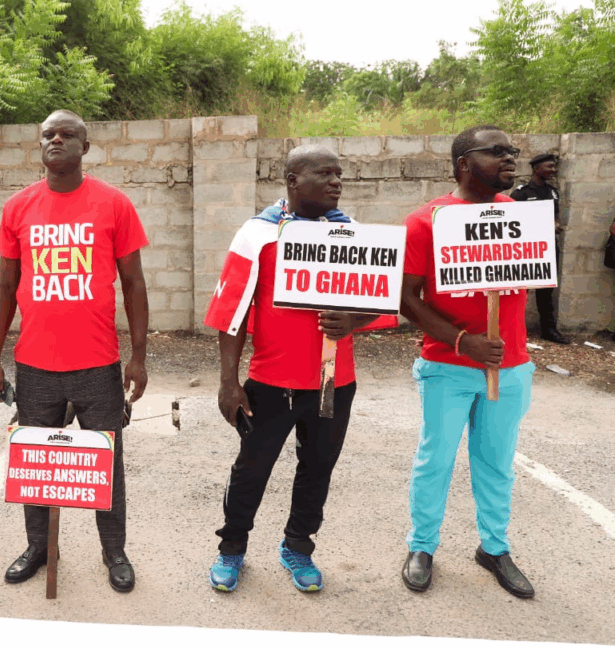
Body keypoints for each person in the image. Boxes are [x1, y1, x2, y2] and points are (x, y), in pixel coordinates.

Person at [0, 109, 149, 593]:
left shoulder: (114, 204)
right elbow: (4, 286)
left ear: (86, 146)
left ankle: (113, 550)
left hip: (98, 364)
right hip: (35, 366)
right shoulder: (18, 208)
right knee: (35, 463)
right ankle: (39, 547)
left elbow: (134, 285)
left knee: (106, 462)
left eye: (67, 134)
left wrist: (138, 357)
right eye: (48, 135)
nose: (56, 140)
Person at [202, 145, 378, 594]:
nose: (337, 182)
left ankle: (298, 545)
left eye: (340, 174)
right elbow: (232, 313)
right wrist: (229, 381)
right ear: (293, 180)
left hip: (334, 382)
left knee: (318, 467)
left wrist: (352, 321)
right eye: (325, 174)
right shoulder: (258, 233)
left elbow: (380, 304)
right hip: (271, 382)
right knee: (252, 469)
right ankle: (232, 549)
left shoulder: (354, 233)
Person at [400, 125, 536, 598]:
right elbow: (407, 299)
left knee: (497, 462)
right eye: (496, 152)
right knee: (435, 460)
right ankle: (421, 547)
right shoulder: (426, 221)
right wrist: (463, 341)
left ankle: (494, 548)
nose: (510, 158)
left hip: (512, 366)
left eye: (512, 151)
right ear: (463, 164)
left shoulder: (518, 215)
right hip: (447, 367)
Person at [512, 153, 570, 343]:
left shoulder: (553, 192)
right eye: (549, 167)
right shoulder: (521, 193)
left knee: (546, 290)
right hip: (525, 249)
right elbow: (512, 223)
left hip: (547, 248)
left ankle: (548, 329)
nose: (553, 171)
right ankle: (515, 328)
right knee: (521, 290)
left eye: (554, 167)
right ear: (537, 169)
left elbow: (555, 216)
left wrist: (556, 224)